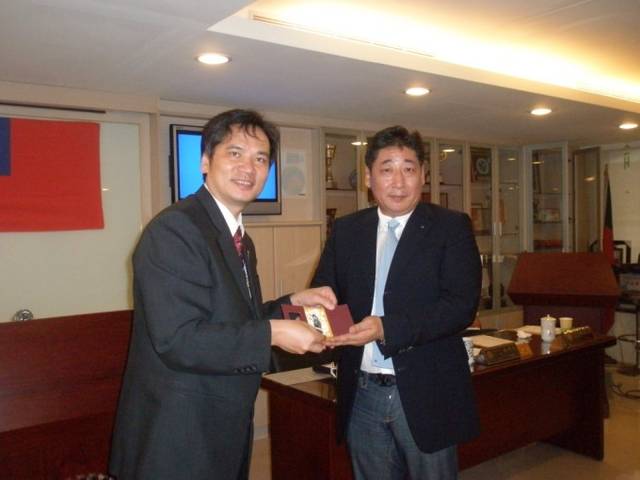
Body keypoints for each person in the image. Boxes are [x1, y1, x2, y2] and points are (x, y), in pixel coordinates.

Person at [109, 109, 335, 480]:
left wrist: (292, 303)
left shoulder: (239, 239)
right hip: (178, 435)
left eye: (260, 159)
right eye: (235, 153)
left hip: (221, 424)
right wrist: (274, 332)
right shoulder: (176, 229)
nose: (248, 167)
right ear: (205, 162)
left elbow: (234, 321)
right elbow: (180, 339)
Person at [312, 125, 481, 479]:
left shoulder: (450, 227)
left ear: (424, 175)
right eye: (387, 169)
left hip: (427, 390)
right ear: (368, 178)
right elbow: (325, 294)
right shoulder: (347, 229)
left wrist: (385, 328)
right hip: (362, 391)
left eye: (409, 169)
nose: (399, 182)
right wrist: (325, 326)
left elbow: (460, 305)